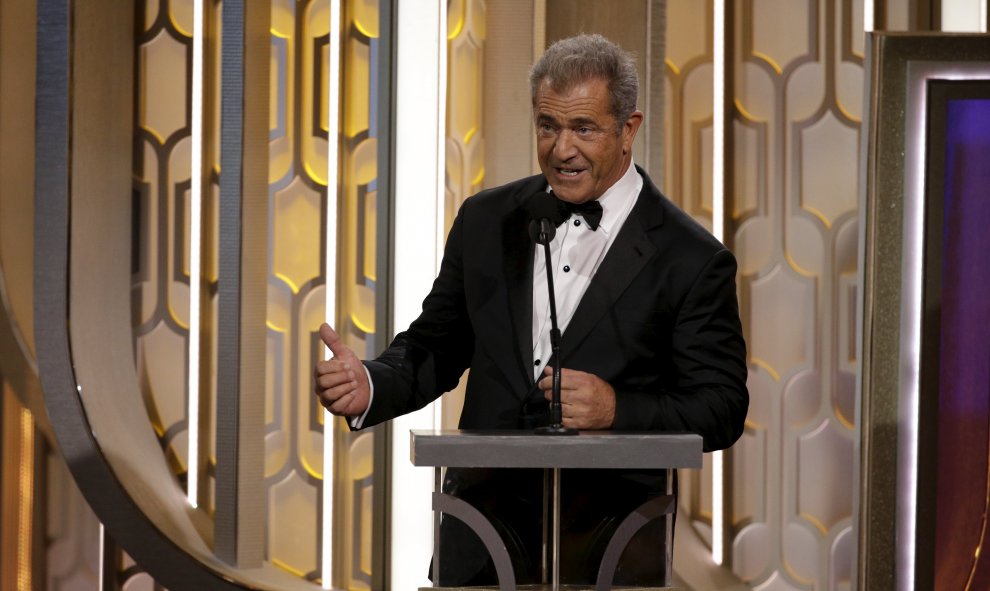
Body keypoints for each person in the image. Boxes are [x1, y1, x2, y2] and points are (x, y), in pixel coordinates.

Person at [314, 33, 748, 585]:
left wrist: (619, 408)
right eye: (548, 126)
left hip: (607, 545)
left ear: (628, 129)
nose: (561, 149)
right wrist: (371, 384)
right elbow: (437, 345)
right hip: (479, 534)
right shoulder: (485, 221)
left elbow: (721, 406)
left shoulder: (691, 258)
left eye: (583, 129)